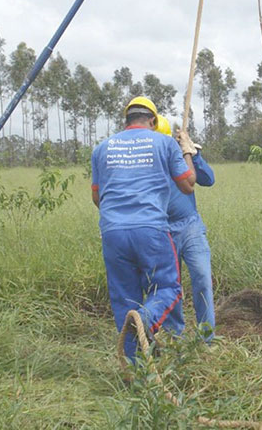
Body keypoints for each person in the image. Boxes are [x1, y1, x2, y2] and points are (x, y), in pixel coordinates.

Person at [91, 96, 197, 361]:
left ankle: (133, 368)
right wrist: (187, 150)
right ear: (152, 121)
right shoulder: (163, 143)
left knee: (124, 299)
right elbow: (188, 185)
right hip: (151, 229)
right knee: (169, 288)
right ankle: (145, 321)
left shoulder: (102, 148)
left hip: (112, 232)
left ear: (125, 120)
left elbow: (97, 197)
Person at [155, 115, 217, 342]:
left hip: (190, 226)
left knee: (202, 277)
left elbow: (209, 180)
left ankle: (207, 338)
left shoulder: (180, 157)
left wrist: (192, 152)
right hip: (162, 230)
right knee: (170, 286)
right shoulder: (149, 164)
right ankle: (175, 339)